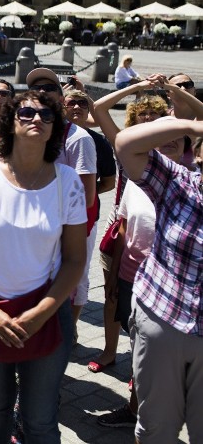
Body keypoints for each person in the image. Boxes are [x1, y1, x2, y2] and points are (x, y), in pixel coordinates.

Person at [0, 91, 87, 443]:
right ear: (11, 121)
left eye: (47, 115)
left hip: (47, 310)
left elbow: (75, 259)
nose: (37, 119)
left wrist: (42, 312)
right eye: (27, 112)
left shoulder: (67, 182)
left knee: (39, 418)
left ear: (54, 128)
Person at [114, 115, 203, 443]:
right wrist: (191, 125)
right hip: (163, 320)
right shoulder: (177, 181)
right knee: (156, 428)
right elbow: (125, 144)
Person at [92, 116, 185, 429]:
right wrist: (114, 276)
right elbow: (124, 227)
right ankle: (135, 409)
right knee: (137, 342)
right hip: (132, 277)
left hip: (169, 285)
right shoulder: (137, 179)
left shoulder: (190, 184)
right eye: (163, 138)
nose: (170, 143)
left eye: (178, 138)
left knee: (154, 352)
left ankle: (149, 410)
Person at [26, 69, 97, 337]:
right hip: (30, 228)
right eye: (37, 88)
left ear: (60, 95)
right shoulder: (28, 132)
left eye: (50, 88)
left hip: (62, 229)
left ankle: (62, 336)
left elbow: (87, 197)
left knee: (63, 290)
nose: (43, 93)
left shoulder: (78, 138)